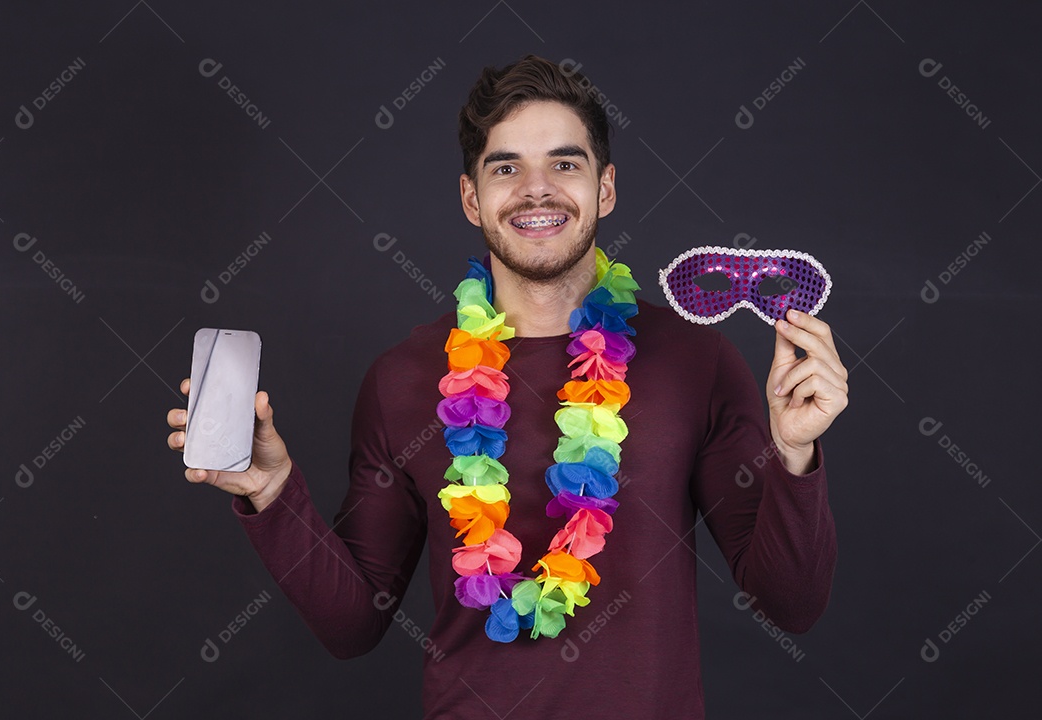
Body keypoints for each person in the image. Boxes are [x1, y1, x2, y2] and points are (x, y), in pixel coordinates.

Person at [166, 54, 848, 719]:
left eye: (564, 162)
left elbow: (791, 604)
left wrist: (793, 454)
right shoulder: (402, 380)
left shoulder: (695, 360)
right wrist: (272, 494)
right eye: (506, 167)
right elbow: (352, 628)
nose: (537, 188)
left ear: (605, 188)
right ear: (472, 197)